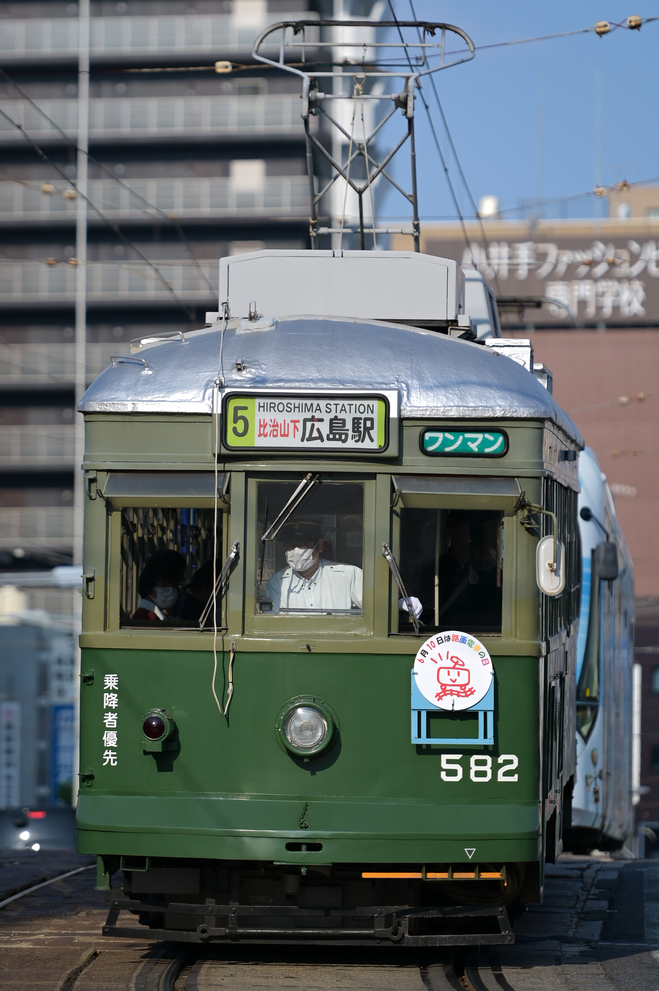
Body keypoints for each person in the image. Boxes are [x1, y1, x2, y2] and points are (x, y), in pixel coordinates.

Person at [264, 519, 362, 614]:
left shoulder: (348, 576)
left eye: (303, 545)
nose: (296, 551)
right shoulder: (277, 583)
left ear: (319, 545)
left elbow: (375, 612)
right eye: (290, 546)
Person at [130, 558, 182, 622]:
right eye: (164, 585)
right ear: (149, 587)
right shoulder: (148, 617)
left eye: (174, 586)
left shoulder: (159, 616)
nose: (171, 590)